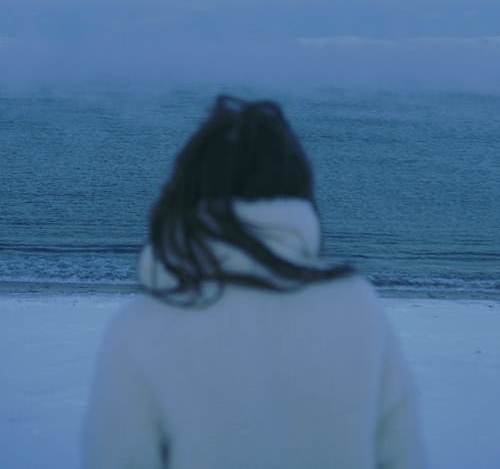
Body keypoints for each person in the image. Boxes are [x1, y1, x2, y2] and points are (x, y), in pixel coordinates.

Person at [82, 95, 427, 469]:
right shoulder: (356, 306)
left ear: (188, 190)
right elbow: (403, 456)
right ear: (299, 188)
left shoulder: (144, 324)